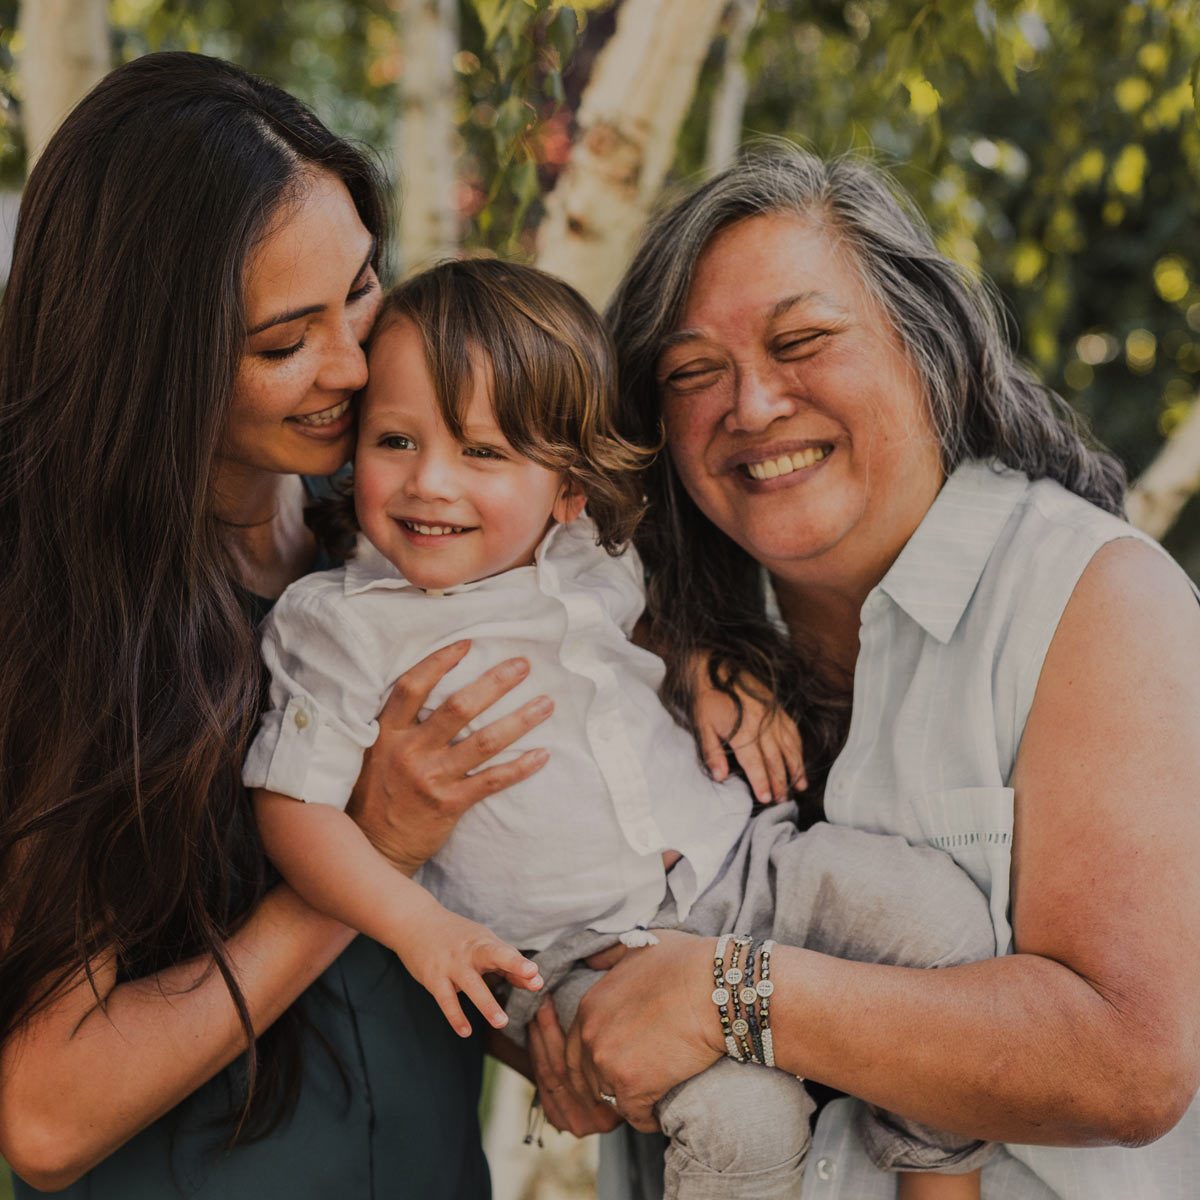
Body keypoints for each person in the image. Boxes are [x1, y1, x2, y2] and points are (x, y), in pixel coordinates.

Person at [518, 145, 1200, 1199]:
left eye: (803, 342)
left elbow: (1127, 1063)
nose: (750, 404)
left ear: (928, 350)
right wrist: (570, 1044)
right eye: (694, 372)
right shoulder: (641, 646)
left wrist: (725, 994)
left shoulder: (1092, 599)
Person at [245, 257, 1002, 1199]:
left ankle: (939, 1179)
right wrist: (418, 928)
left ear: (567, 486)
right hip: (580, 967)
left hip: (744, 869)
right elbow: (291, 807)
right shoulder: (339, 625)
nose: (430, 483)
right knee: (744, 1124)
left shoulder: (593, 557)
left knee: (937, 913)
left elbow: (649, 629)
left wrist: (702, 668)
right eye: (396, 441)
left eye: (484, 453)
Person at [0, 53, 553, 1198]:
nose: (353, 366)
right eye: (282, 343)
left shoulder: (404, 535)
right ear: (154, 361)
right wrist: (366, 856)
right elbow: (45, 1116)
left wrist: (712, 666)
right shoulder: (67, 627)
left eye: (360, 288)